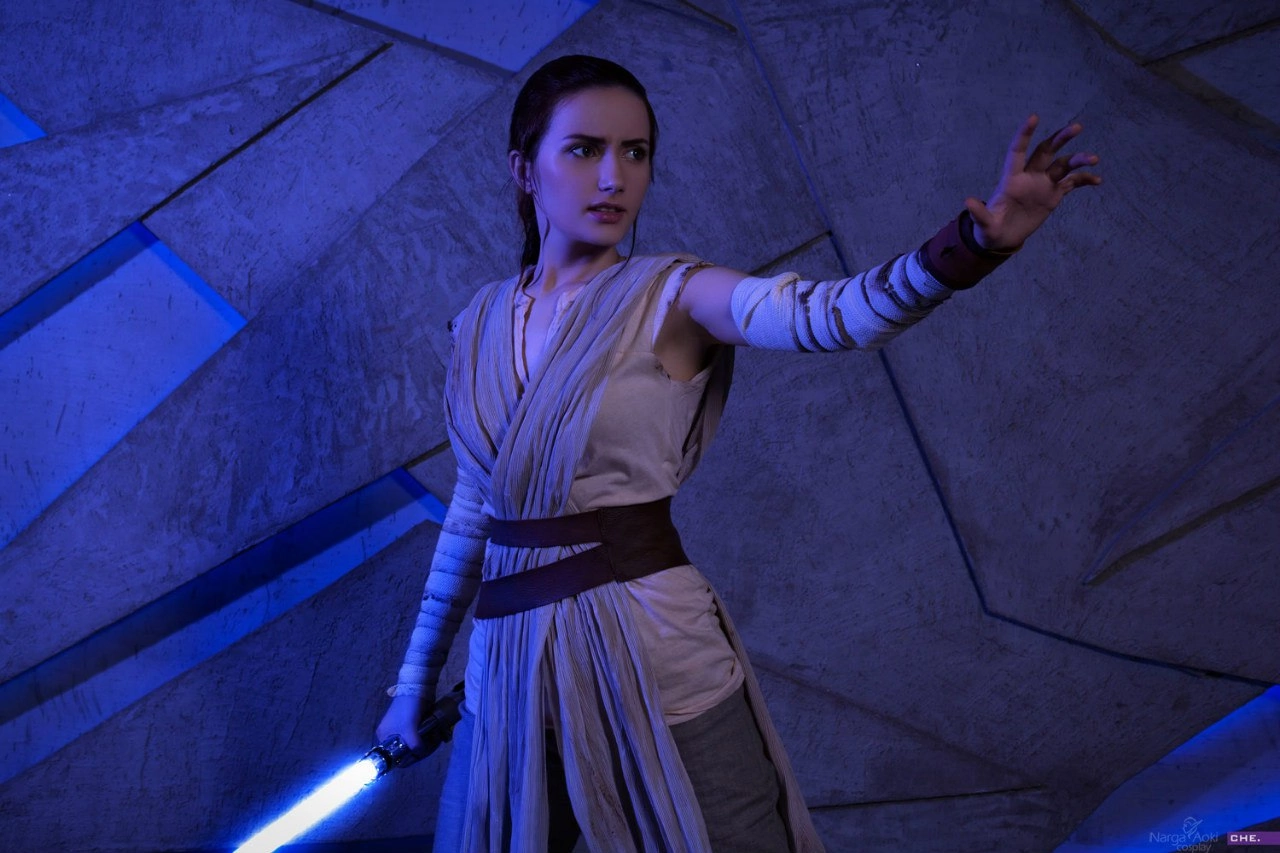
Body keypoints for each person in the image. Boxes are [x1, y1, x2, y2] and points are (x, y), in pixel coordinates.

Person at [376, 54, 1101, 853]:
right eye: (584, 149)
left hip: (655, 654)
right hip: (507, 669)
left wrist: (970, 246)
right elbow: (476, 514)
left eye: (635, 152)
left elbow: (835, 315)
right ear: (524, 169)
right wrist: (414, 684)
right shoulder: (477, 324)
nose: (614, 176)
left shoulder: (677, 295)